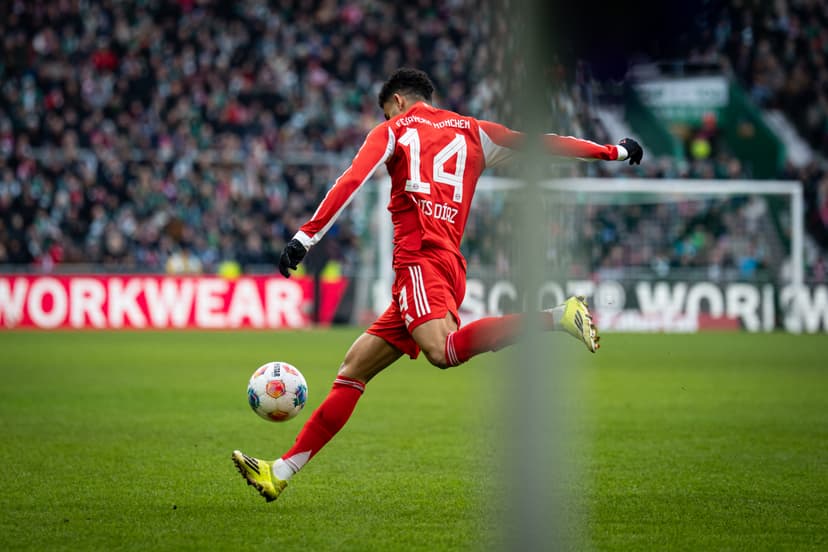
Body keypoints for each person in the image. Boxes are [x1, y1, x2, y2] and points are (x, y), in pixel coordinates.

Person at [232, 68, 643, 502]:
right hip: (447, 264)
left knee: (442, 352)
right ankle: (279, 472)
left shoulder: (394, 130)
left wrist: (304, 237)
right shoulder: (474, 131)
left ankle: (557, 317)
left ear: (397, 101)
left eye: (386, 111)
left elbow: (352, 179)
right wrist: (612, 151)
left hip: (418, 261)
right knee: (353, 371)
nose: (386, 117)